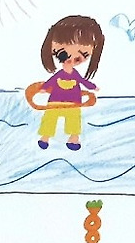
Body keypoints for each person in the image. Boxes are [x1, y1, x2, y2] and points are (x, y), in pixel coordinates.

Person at [25, 15, 105, 151]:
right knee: (50, 118)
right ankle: (45, 137)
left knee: (73, 120)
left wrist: (93, 87)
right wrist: (44, 88)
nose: (70, 60)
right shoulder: (59, 75)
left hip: (73, 101)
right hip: (55, 100)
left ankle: (73, 138)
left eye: (80, 57)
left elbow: (83, 81)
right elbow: (51, 81)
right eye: (61, 54)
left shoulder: (75, 75)